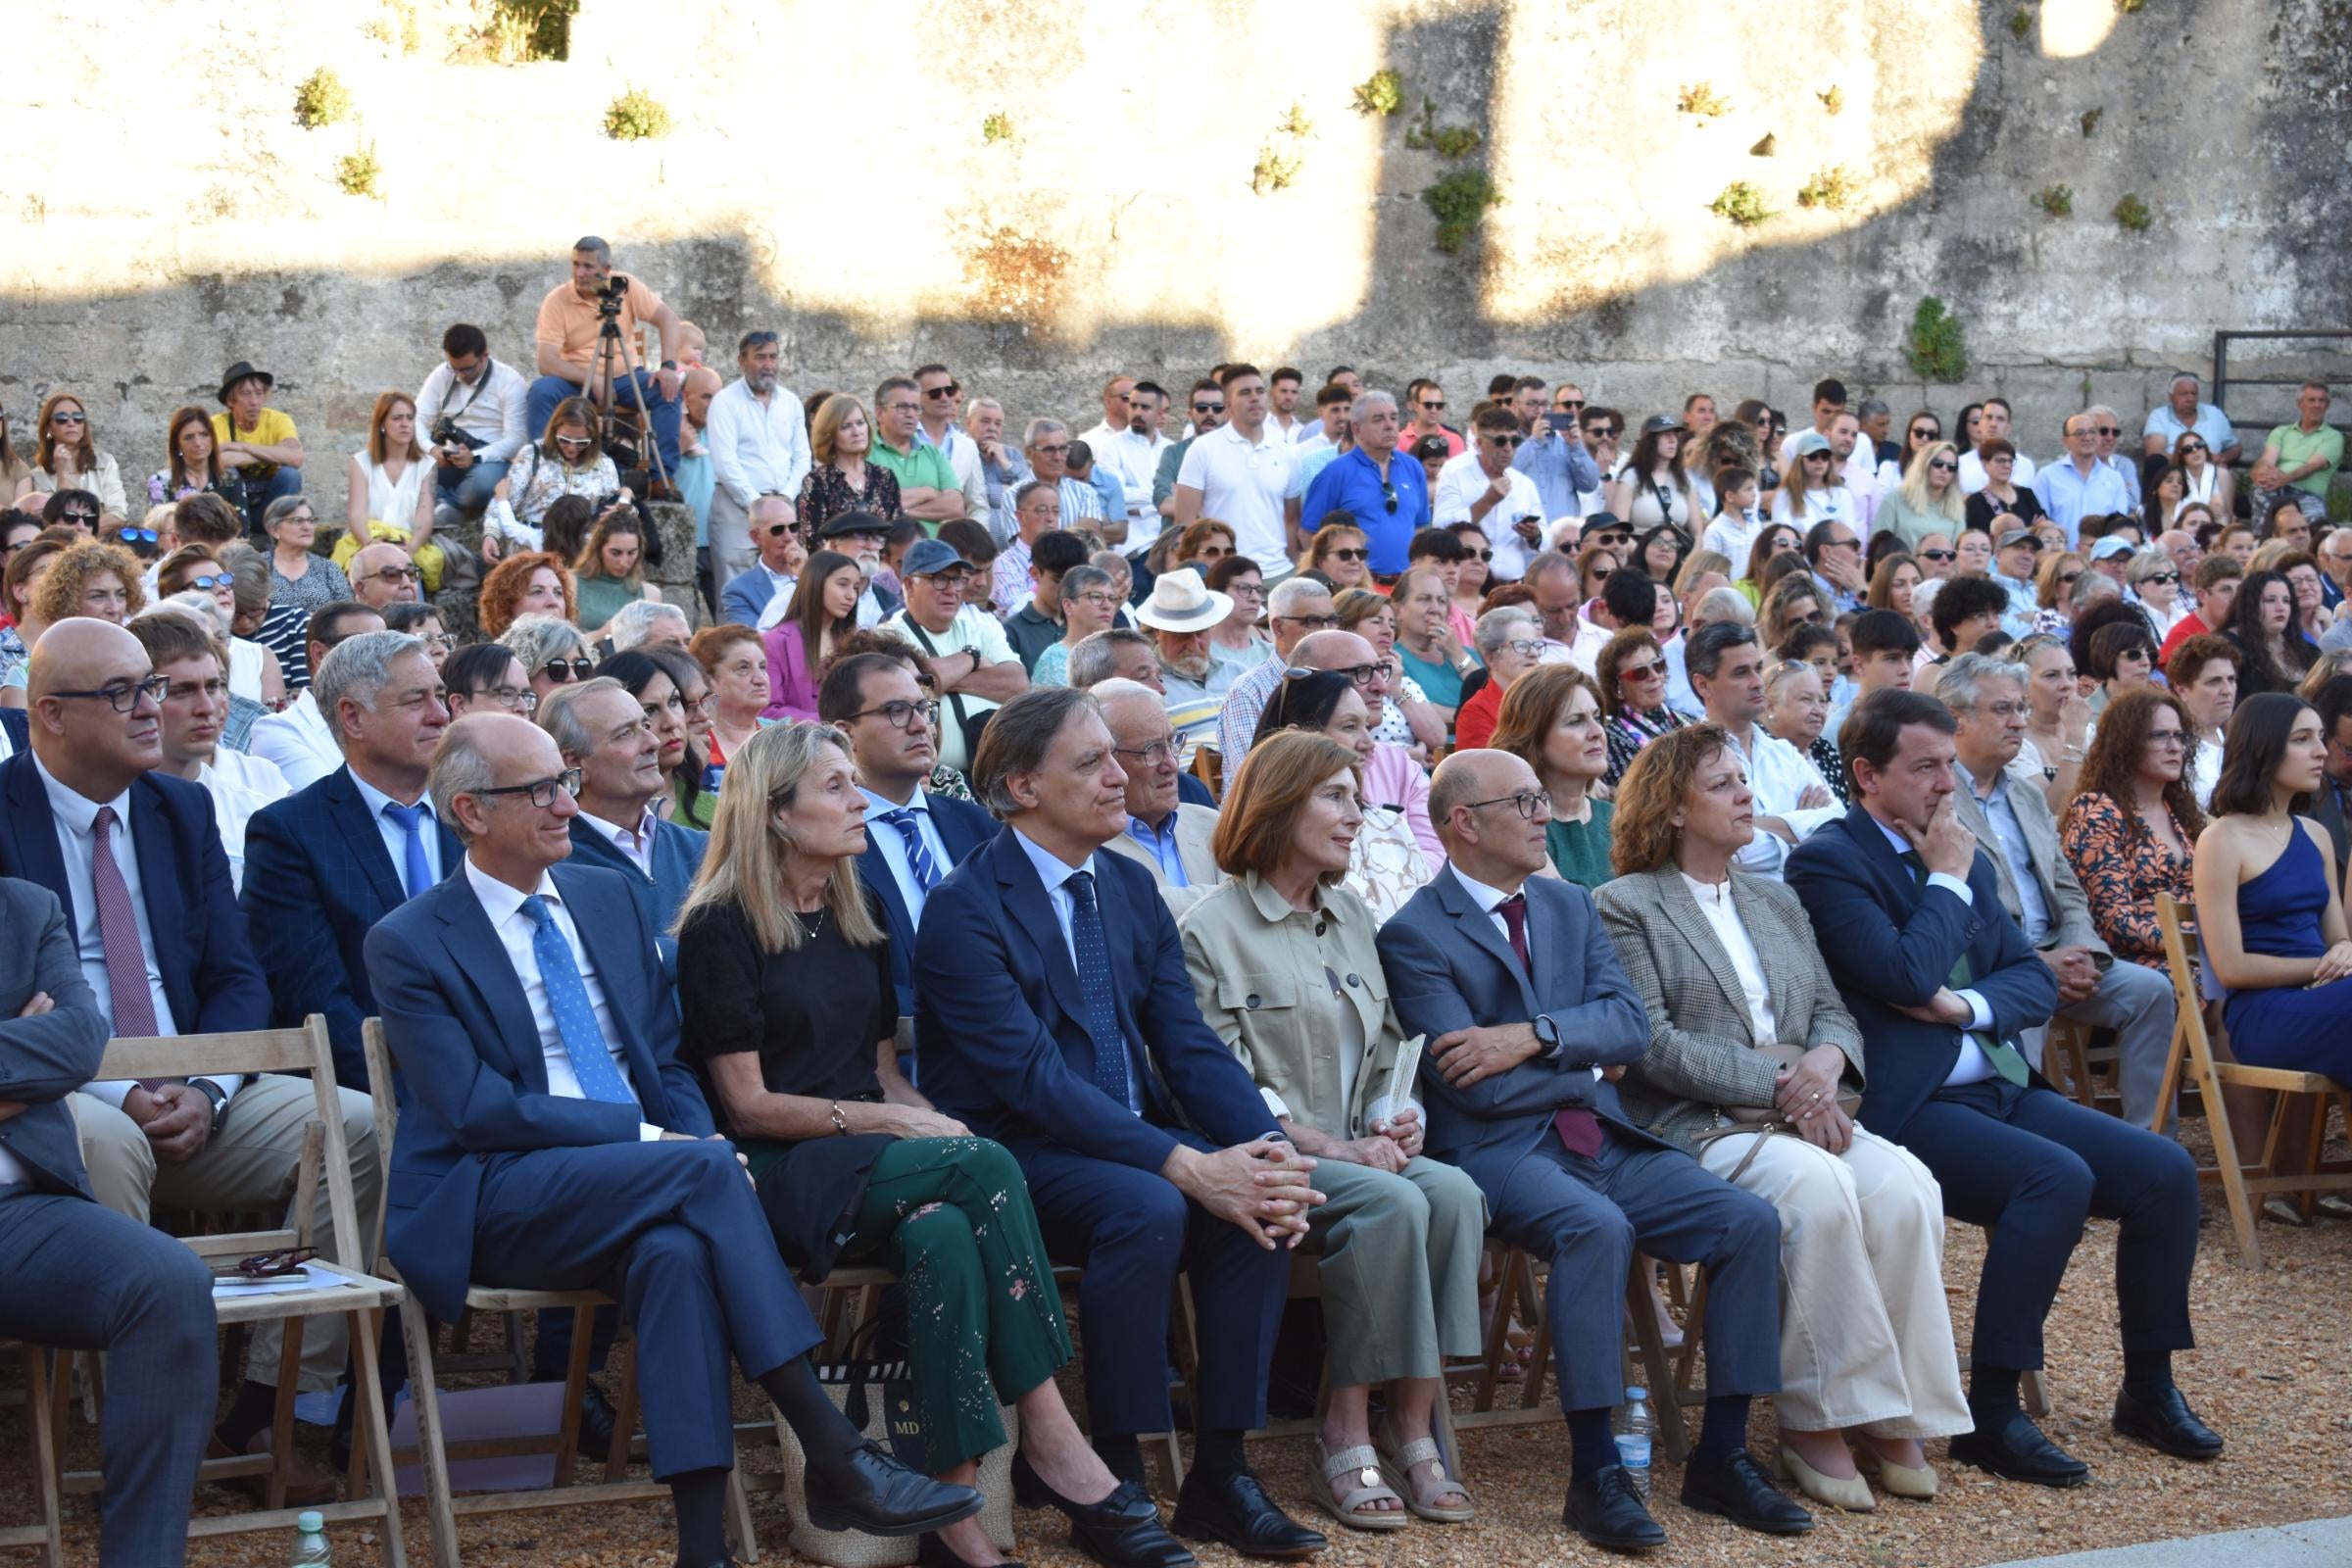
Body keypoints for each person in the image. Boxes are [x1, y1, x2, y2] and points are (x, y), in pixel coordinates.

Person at [365, 711, 978, 1564]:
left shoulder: (604, 893)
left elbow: (667, 1059)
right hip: (500, 1191)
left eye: (566, 782)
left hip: (645, 1177)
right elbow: (475, 1110)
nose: (565, 806)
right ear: (470, 812)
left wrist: (686, 1135)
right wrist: (663, 1140)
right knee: (698, 1173)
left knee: (677, 1259)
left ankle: (703, 1551)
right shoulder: (409, 940)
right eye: (540, 789)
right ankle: (834, 1450)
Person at [671, 720, 1145, 1568]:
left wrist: (934, 1125)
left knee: (944, 1230)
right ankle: (1048, 1427)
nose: (862, 802)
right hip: (781, 1169)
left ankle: (951, 1514)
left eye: (857, 783)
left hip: (873, 1155)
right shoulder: (721, 924)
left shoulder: (863, 908)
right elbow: (746, 1107)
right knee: (987, 1165)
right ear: (776, 814)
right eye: (837, 788)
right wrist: (906, 1129)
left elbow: (883, 1074)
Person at [912, 688, 1332, 1558]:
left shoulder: (1129, 886)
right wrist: (1181, 1163)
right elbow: (1031, 1082)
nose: (1123, 775)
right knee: (1149, 1207)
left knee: (1255, 1199)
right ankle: (1117, 1481)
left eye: (1119, 754)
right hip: (1016, 1151)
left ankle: (1221, 1472)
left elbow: (1187, 1045)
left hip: (1131, 1137)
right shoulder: (963, 907)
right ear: (1022, 787)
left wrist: (1270, 1149)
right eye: (1094, 762)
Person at [1376, 749, 1808, 1549]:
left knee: (1749, 1221)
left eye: (1544, 799)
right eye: (1526, 801)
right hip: (1501, 1152)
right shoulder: (1413, 934)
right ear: (1465, 823)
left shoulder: (1569, 904)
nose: (1547, 814)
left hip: (1601, 1136)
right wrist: (1579, 1058)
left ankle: (1719, 1457)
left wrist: (1532, 1037)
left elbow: (1633, 1029)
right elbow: (1473, 1086)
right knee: (1594, 1229)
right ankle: (1596, 1472)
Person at [1786, 689, 2218, 1489]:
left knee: (2164, 1172)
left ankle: (2148, 1387)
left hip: (2003, 1083)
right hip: (1909, 1107)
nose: (1945, 784)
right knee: (2054, 1179)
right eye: (1924, 768)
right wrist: (1947, 882)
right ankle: (1991, 1413)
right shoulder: (1829, 862)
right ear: (1866, 775)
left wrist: (1964, 1004)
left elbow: (2030, 977)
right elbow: (1904, 972)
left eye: (1950, 764)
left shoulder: (1959, 849)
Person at [2, 617, 380, 1502]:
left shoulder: (182, 807)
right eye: (129, 692)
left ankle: (277, 1401)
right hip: (72, 1092)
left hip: (203, 1079)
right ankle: (124, 1437)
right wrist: (118, 1086)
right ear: (49, 714)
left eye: (156, 686)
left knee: (353, 1125)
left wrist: (208, 1085)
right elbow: (28, 1026)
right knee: (102, 1141)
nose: (155, 709)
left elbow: (235, 975)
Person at [1596, 724, 1968, 1511]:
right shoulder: (1624, 905)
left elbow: (1834, 1012)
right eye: (1725, 784)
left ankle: (1894, 1409)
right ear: (1670, 808)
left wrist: (1826, 1068)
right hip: (1697, 1123)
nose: (1746, 796)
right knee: (1813, 1190)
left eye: (1744, 778)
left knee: (1907, 1187)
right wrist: (1786, 1085)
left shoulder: (1776, 897)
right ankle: (1818, 1417)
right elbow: (1651, 1043)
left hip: (1806, 1104)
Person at [1178, 731, 1485, 1531]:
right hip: (1268, 1158)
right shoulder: (1210, 929)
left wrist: (1397, 1113)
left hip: (1362, 1149)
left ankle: (1409, 1423)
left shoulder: (1349, 912)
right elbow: (1224, 1077)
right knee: (1394, 1205)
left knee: (1452, 1192)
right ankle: (1345, 1429)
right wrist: (1332, 1148)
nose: (1359, 814)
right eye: (1337, 796)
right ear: (1279, 804)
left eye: (1358, 795)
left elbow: (1387, 1047)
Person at [0, 872, 218, 1564]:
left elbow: (76, 1043)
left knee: (166, 1283)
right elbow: (44, 1053)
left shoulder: (24, 908)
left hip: (18, 1211)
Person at [1938, 655, 2180, 1128]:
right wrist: (2031, 963)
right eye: (2004, 710)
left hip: (2058, 953)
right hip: (1993, 967)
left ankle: (2151, 1146)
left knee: (2153, 990)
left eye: (2022, 708)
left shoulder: (2026, 796)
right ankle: (2029, 1154)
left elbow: (2067, 887)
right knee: (2025, 1000)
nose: (2020, 721)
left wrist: (2083, 949)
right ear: (1956, 720)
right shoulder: (1937, 799)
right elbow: (1952, 905)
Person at [239, 628, 455, 1086]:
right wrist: (426, 1099)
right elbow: (316, 1005)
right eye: (416, 700)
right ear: (353, 718)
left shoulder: (477, 812)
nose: (440, 715)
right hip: (384, 1094)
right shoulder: (290, 834)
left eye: (440, 696)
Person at [2186, 693, 2352, 1088]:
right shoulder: (2222, 839)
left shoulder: (2315, 834)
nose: (2320, 751)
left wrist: (2344, 951)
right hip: (2264, 1013)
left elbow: (2337, 938)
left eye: (2321, 737)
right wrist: (2322, 966)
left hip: (2328, 996)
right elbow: (2231, 968)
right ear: (2263, 748)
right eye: (2302, 739)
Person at [540, 675, 708, 996]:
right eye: (626, 734)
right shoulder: (552, 866)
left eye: (645, 725)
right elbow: (597, 968)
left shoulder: (700, 847)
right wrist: (702, 950)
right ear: (574, 763)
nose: (652, 742)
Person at [129, 612, 290, 894]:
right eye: (182, 691)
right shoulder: (107, 802)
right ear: (139, 698)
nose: (207, 706)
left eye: (215, 686)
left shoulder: (263, 783)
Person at [1251, 670, 1431, 922]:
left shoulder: (1391, 824)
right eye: (1349, 727)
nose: (1368, 743)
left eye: (1367, 727)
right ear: (1296, 735)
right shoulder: (1274, 837)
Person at [2060, 687, 2205, 974]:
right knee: (2218, 983)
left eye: (2179, 736)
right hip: (2133, 961)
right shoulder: (2098, 811)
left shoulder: (2183, 814)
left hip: (2197, 953)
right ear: (2126, 743)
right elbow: (2113, 922)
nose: (2174, 747)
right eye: (2160, 735)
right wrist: (2196, 943)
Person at [1687, 622, 1838, 875]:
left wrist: (1757, 826)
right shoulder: (1691, 758)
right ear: (1703, 685)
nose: (1757, 682)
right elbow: (1736, 855)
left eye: (1758, 669)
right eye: (1740, 673)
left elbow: (1837, 824)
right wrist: (1801, 826)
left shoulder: (1785, 753)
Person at [879, 537, 1029, 773]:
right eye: (939, 580)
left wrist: (939, 678)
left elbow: (1018, 684)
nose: (951, 590)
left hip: (995, 772)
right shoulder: (890, 634)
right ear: (908, 584)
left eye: (957, 580)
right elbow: (911, 691)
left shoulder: (980, 626)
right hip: (932, 778)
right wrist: (972, 659)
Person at [1095, 677, 1223, 913]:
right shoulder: (1087, 847)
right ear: (1106, 759)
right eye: (1151, 750)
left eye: (1173, 741)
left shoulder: (1212, 825)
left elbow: (1253, 904)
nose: (1172, 764)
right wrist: (1226, 900)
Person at [1486, 662, 1614, 889]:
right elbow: (1567, 914)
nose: (1597, 732)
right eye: (1576, 721)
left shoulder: (1618, 820)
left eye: (1597, 717)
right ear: (1533, 739)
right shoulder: (1518, 830)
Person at [1173, 365, 1305, 578]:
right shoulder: (1203, 449)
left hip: (1277, 573)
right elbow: (1184, 521)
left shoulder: (1287, 453)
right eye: (1244, 393)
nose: (1255, 398)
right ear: (1228, 405)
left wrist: (1293, 566)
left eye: (1260, 391)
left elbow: (1292, 519)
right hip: (1222, 574)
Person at [703, 330, 811, 587]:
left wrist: (784, 498)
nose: (768, 365)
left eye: (773, 357)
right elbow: (725, 462)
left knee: (786, 583)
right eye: (760, 357)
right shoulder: (724, 402)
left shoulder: (791, 402)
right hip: (735, 508)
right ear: (742, 361)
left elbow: (802, 456)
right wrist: (758, 506)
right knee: (735, 587)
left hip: (784, 508)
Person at [248, 603, 387, 790]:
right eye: (362, 645)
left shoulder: (396, 717)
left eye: (387, 644)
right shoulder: (277, 730)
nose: (381, 657)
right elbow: (333, 804)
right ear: (319, 654)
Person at [414, 322, 531, 527]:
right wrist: (432, 449)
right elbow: (416, 419)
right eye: (454, 368)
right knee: (406, 465)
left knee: (483, 485)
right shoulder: (442, 374)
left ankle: (446, 505)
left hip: (491, 459)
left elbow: (516, 440)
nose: (460, 375)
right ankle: (443, 506)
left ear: (484, 356)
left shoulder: (510, 381)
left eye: (467, 368)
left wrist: (476, 457)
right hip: (447, 456)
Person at [337, 391, 442, 592]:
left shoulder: (425, 464)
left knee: (409, 581)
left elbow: (425, 514)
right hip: (367, 541)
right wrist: (371, 544)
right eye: (397, 418)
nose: (405, 424)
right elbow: (356, 513)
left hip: (407, 543)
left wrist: (410, 548)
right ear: (382, 424)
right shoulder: (362, 462)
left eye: (410, 418)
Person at [1434, 408, 1547, 584]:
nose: (1508, 448)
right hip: (1468, 586)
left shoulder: (1524, 484)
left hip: (1512, 585)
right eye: (1500, 441)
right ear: (1479, 443)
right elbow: (1441, 528)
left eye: (1515, 441)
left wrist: (1534, 535)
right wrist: (1486, 502)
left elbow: (1545, 538)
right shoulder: (1455, 474)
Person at [1592, 625, 1688, 788]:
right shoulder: (1611, 739)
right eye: (1640, 673)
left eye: (1658, 665)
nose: (1654, 676)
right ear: (1617, 688)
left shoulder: (1687, 720)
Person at [210, 364, 304, 526]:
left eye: (259, 394)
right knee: (228, 474)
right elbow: (217, 460)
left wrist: (241, 447)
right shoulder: (217, 424)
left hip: (270, 507)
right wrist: (274, 454)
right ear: (231, 400)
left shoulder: (278, 420)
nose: (254, 401)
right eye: (246, 394)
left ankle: (281, 536)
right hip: (232, 510)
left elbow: (295, 458)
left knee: (290, 475)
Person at [24, 393, 128, 521]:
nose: (71, 423)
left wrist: (86, 530)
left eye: (78, 417)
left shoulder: (105, 463)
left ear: (84, 425)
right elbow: (55, 521)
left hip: (100, 540)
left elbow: (119, 513)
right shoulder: (37, 476)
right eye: (62, 418)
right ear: (48, 428)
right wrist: (63, 475)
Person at [2250, 382, 2341, 526]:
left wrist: (2286, 478)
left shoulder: (2333, 437)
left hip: (2308, 495)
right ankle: (2261, 540)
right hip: (2276, 488)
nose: (2317, 405)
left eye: (2321, 400)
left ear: (2327, 405)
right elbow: (2267, 459)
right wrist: (2260, 473)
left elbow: (2312, 466)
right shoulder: (2281, 431)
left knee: (2313, 528)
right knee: (2262, 487)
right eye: (2311, 400)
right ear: (2300, 404)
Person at [1455, 606, 1543, 749]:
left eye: (1536, 645)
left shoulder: (1550, 698)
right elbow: (1487, 768)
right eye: (1521, 646)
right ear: (1491, 658)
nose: (1533, 653)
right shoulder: (1476, 713)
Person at [570, 502, 660, 640]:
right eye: (615, 553)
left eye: (631, 553)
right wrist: (602, 634)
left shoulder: (650, 594)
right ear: (598, 548)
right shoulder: (571, 582)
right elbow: (559, 644)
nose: (624, 563)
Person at [2223, 567, 2315, 695]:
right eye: (2270, 600)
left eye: (2286, 601)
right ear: (2250, 605)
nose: (2281, 607)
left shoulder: (2305, 650)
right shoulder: (2227, 647)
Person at [719, 494, 807, 627]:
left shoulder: (820, 574)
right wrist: (797, 582)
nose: (789, 537)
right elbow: (753, 642)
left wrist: (806, 576)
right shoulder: (738, 591)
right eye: (778, 530)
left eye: (793, 527)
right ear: (756, 537)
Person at [261, 495, 352, 612]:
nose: (307, 527)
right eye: (297, 521)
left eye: (311, 520)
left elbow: (346, 613)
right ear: (274, 530)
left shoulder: (328, 569)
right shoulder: (259, 566)